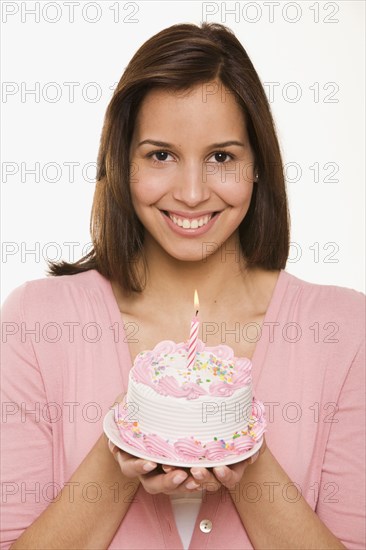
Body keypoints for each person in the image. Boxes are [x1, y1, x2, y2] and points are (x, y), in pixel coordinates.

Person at [1, 22, 364, 550]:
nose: (192, 193)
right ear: (122, 164)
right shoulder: (37, 324)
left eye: (221, 157)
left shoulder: (343, 332)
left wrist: (242, 447)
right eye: (160, 155)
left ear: (257, 165)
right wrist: (127, 442)